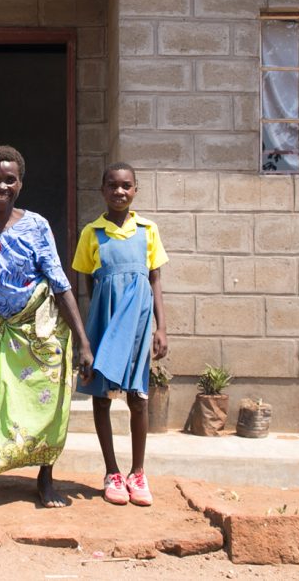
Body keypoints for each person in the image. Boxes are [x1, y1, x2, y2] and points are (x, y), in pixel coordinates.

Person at [0, 145, 94, 508]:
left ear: (20, 184)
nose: (1, 186)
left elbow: (60, 283)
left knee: (49, 404)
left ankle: (45, 480)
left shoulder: (36, 225)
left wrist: (83, 342)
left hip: (44, 331)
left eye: (9, 180)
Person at [72, 162, 168, 506]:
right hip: (105, 317)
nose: (119, 192)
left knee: (138, 396)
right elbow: (87, 278)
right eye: (112, 186)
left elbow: (155, 279)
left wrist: (162, 327)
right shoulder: (91, 232)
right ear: (102, 190)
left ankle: (138, 472)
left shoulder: (148, 230)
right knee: (101, 395)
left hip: (140, 320)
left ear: (135, 190)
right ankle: (112, 470)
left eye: (126, 186)